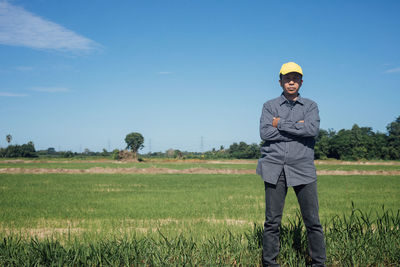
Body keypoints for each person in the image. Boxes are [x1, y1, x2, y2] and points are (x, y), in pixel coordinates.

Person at [256, 62, 326, 266]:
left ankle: (318, 263)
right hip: (274, 167)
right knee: (272, 222)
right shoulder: (269, 106)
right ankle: (270, 263)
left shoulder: (311, 106)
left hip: (303, 168)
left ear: (301, 82)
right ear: (280, 82)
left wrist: (280, 124)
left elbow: (311, 131)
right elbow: (265, 133)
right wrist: (297, 128)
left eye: (295, 78)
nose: (291, 82)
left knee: (312, 221)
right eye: (287, 78)